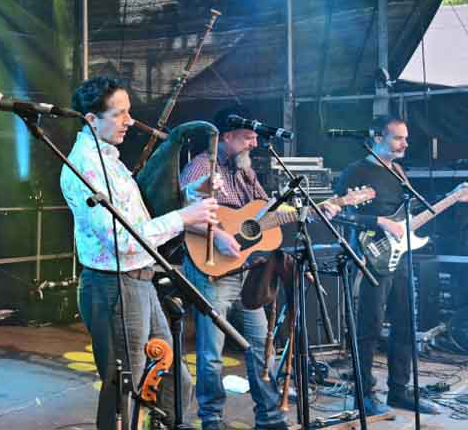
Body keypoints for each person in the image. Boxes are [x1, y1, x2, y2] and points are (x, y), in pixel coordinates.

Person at [60, 76, 219, 430]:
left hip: (140, 282)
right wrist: (183, 217)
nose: (130, 122)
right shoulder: (84, 165)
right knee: (123, 392)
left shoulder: (110, 161)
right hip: (114, 287)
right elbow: (123, 239)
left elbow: (140, 215)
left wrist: (188, 196)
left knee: (173, 383)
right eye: (120, 114)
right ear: (91, 119)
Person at [179, 106, 339, 430]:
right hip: (211, 270)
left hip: (248, 274)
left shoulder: (245, 171)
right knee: (212, 354)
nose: (254, 143)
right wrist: (221, 236)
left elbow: (266, 214)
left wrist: (310, 211)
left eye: (255, 138)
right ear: (226, 136)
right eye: (248, 138)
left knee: (259, 347)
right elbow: (184, 213)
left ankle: (268, 416)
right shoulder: (201, 167)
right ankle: (211, 420)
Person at [335, 115, 461, 416]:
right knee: (369, 328)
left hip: (400, 258)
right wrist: (379, 222)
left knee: (405, 325)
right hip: (370, 258)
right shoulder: (357, 171)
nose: (405, 143)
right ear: (376, 136)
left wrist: (452, 199)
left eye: (405, 138)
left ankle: (400, 391)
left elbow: (410, 213)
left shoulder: (398, 172)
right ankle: (363, 395)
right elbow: (338, 214)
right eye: (397, 138)